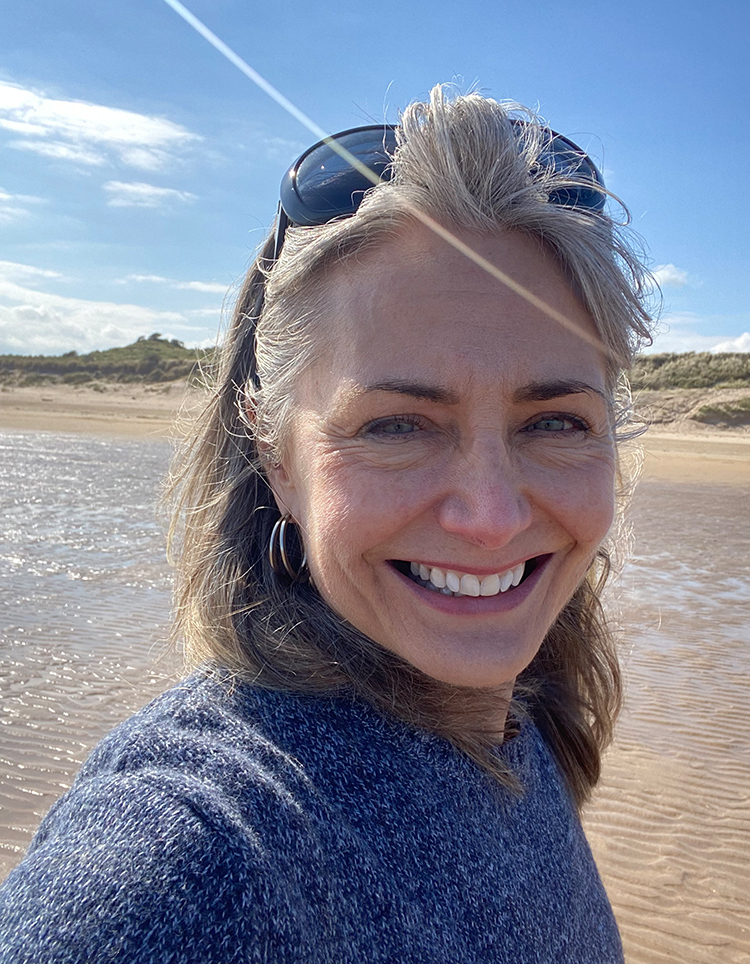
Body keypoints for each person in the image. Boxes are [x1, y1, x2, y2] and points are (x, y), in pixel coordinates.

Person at [0, 85, 652, 963]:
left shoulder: (526, 717)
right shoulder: (192, 856)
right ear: (275, 455)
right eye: (397, 426)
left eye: (556, 422)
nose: (491, 518)